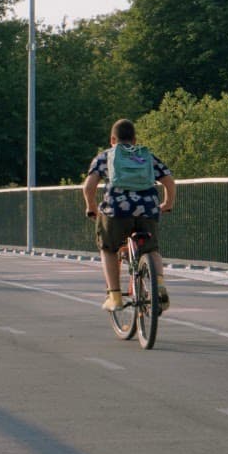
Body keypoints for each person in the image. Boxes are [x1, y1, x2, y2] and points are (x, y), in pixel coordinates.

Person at [82, 118, 176, 312]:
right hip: (148, 209)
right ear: (134, 140)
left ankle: (114, 296)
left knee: (108, 248)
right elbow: (169, 181)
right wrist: (167, 204)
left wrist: (91, 206)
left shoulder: (105, 156)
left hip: (117, 211)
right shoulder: (146, 156)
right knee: (151, 250)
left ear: (112, 139)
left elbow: (89, 186)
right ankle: (158, 286)